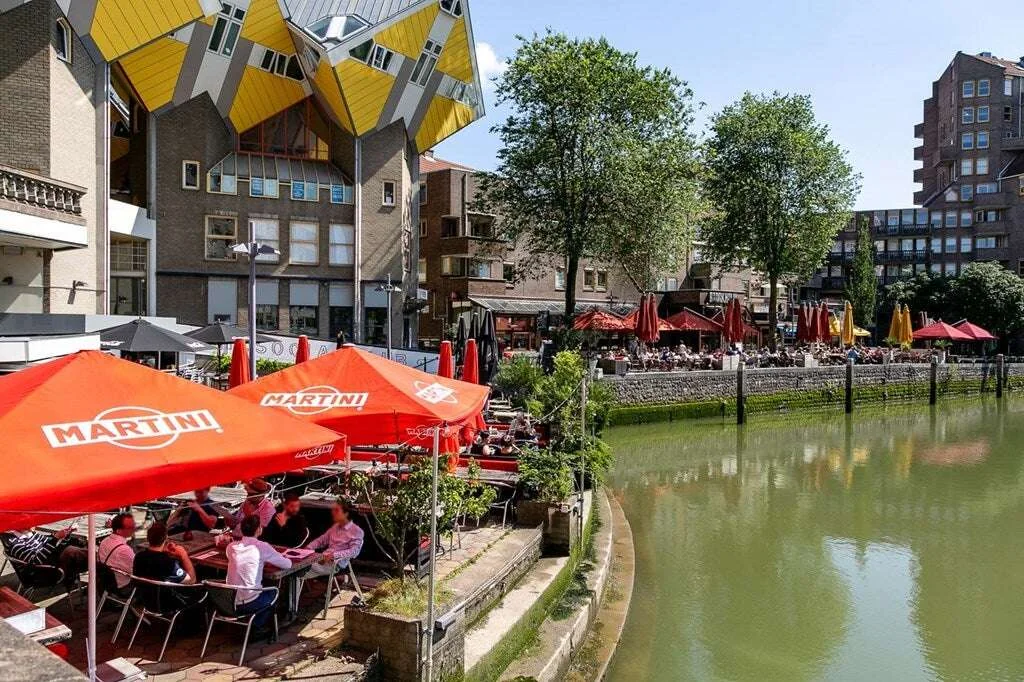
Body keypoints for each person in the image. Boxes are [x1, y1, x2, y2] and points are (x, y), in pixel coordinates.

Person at [226, 515, 291, 633]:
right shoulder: (262, 547)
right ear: (258, 529)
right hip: (250, 602)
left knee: (261, 585)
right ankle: (257, 626)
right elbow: (287, 564)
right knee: (274, 591)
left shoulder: (231, 547)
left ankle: (251, 623)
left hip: (228, 602)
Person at [305, 499, 364, 578]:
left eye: (336, 510)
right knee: (299, 564)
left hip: (335, 564)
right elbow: (322, 540)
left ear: (346, 514)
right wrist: (309, 547)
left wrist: (334, 555)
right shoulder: (335, 527)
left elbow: (354, 551)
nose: (333, 513)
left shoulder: (357, 531)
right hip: (323, 559)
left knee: (302, 569)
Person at [96, 513, 137, 596]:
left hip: (105, 583)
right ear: (118, 531)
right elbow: (136, 572)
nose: (134, 528)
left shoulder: (104, 541)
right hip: (122, 588)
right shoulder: (124, 550)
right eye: (130, 527)